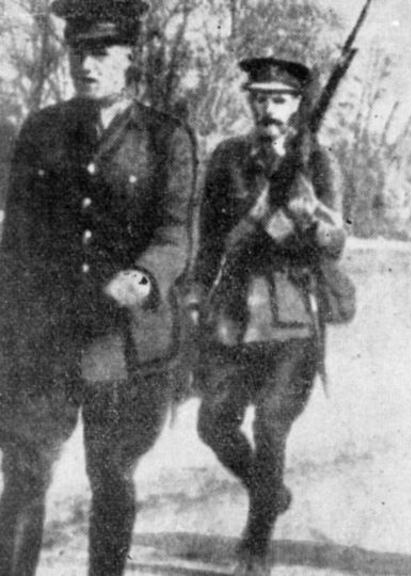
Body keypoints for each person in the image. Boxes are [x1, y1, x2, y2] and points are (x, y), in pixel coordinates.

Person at [0, 1, 196, 574]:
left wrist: (143, 276)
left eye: (101, 51)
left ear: (131, 57)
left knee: (110, 476)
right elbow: (16, 244)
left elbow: (176, 234)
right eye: (77, 50)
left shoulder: (167, 138)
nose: (86, 63)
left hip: (123, 339)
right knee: (26, 469)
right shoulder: (42, 131)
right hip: (47, 335)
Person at [188, 54, 351, 576]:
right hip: (234, 311)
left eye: (278, 99)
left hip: (291, 313)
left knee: (273, 427)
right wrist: (195, 290)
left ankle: (256, 547)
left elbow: (335, 242)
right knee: (213, 423)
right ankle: (270, 492)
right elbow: (213, 239)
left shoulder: (320, 163)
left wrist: (309, 217)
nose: (267, 108)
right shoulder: (228, 159)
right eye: (258, 98)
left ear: (298, 106)